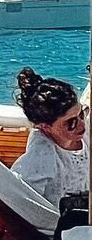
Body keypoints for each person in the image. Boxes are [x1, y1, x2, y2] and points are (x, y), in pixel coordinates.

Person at [12, 67, 88, 210]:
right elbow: (25, 208)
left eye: (82, 114)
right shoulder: (38, 161)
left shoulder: (85, 130)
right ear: (45, 127)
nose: (82, 124)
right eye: (71, 122)